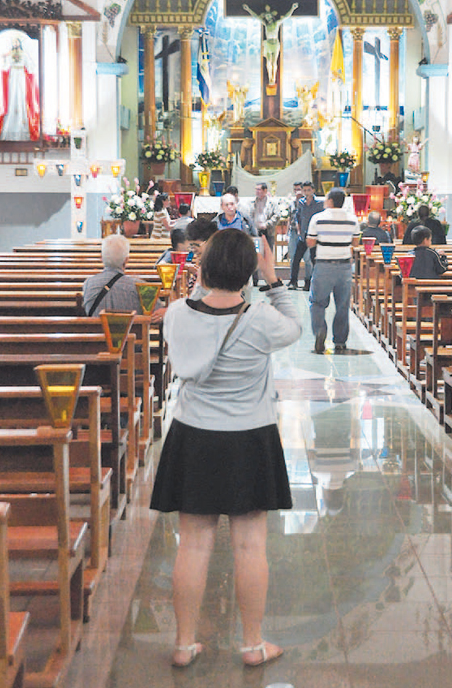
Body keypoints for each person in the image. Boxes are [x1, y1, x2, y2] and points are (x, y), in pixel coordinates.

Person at [149, 230, 302, 668]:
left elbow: (204, 302)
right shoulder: (260, 319)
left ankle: (182, 644)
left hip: (193, 434)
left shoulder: (176, 313)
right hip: (248, 436)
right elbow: (294, 327)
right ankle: (252, 645)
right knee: (250, 546)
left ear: (205, 268)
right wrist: (273, 280)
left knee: (192, 544)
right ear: (249, 274)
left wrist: (204, 274)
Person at [306, 187, 359, 354]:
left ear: (330, 201)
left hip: (324, 265)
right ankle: (340, 341)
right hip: (344, 266)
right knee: (342, 305)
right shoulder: (352, 219)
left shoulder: (318, 218)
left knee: (317, 302)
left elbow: (310, 243)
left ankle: (320, 331)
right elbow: (356, 243)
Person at [82, 234, 164, 319]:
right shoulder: (141, 287)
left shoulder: (88, 284)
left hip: (98, 332)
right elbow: (158, 313)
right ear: (126, 260)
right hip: (132, 332)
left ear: (101, 258)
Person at [0, 35, 41, 142]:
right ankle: (8, 130)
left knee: (22, 98)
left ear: (19, 44)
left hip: (21, 76)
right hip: (12, 76)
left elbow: (30, 67)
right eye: (14, 42)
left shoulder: (24, 54)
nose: (15, 44)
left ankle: (23, 131)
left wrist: (30, 63)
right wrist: (3, 59)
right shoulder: (9, 55)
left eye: (17, 42)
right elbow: (4, 67)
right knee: (12, 98)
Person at [242, 1, 299, 87]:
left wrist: (293, 8)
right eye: (266, 17)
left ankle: (274, 78)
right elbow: (256, 17)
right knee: (268, 62)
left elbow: (286, 17)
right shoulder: (266, 25)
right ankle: (270, 78)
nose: (268, 18)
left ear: (272, 17)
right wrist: (248, 9)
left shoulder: (276, 23)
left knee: (274, 62)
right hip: (268, 44)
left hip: (275, 43)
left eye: (269, 16)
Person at [288, 181, 323, 291]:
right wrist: (299, 229)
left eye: (309, 190)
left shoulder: (319, 203)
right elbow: (298, 216)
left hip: (314, 236)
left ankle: (310, 282)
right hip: (303, 236)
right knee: (296, 258)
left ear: (313, 190)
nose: (307, 192)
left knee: (313, 259)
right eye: (305, 190)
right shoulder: (301, 202)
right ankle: (293, 281)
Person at [184, 217, 218, 295]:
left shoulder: (218, 267)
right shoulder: (203, 264)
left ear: (211, 242)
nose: (194, 250)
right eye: (191, 246)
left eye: (196, 245)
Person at [248, 183, 280, 251]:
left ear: (265, 191)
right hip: (255, 231)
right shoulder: (253, 202)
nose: (257, 191)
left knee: (268, 252)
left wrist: (267, 224)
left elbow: (277, 215)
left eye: (259, 189)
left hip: (268, 231)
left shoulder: (272, 203)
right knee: (256, 253)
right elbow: (249, 215)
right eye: (256, 189)